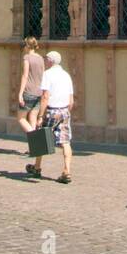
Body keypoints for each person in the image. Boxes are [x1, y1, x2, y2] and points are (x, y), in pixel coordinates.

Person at [28, 50, 74, 183]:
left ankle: (37, 167)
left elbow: (45, 96)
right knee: (65, 141)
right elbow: (71, 100)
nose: (44, 61)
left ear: (50, 61)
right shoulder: (66, 75)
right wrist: (66, 110)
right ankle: (67, 171)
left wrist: (40, 115)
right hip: (64, 110)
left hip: (52, 110)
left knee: (42, 138)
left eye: (45, 59)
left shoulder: (47, 74)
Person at [17, 37, 45, 142]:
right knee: (33, 118)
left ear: (27, 46)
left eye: (24, 45)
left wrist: (20, 93)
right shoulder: (40, 58)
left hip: (28, 91)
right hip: (38, 92)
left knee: (21, 118)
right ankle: (34, 147)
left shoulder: (27, 58)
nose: (23, 47)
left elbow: (25, 75)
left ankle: (35, 139)